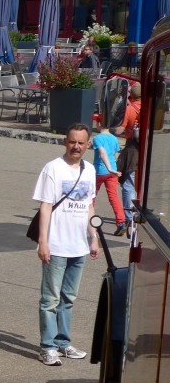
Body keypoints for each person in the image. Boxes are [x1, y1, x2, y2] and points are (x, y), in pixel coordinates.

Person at [33, 123, 99, 366]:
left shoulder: (90, 170)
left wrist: (94, 238)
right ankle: (47, 347)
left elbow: (90, 206)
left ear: (88, 144)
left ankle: (63, 343)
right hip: (57, 245)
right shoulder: (53, 169)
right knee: (50, 299)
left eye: (81, 143)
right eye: (73, 142)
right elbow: (46, 206)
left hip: (79, 246)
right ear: (65, 141)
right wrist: (43, 242)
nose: (77, 147)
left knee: (68, 298)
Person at [90, 123, 126, 236]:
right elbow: (115, 154)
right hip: (112, 172)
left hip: (100, 171)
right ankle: (121, 223)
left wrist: (109, 168)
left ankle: (87, 220)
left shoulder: (97, 138)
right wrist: (113, 168)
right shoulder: (114, 138)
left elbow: (102, 153)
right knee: (114, 197)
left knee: (91, 196)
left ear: (100, 124)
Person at [117, 137, 138, 236]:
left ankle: (130, 218)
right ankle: (132, 217)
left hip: (133, 154)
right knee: (132, 187)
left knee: (128, 187)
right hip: (137, 154)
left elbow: (118, 130)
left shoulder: (135, 121)